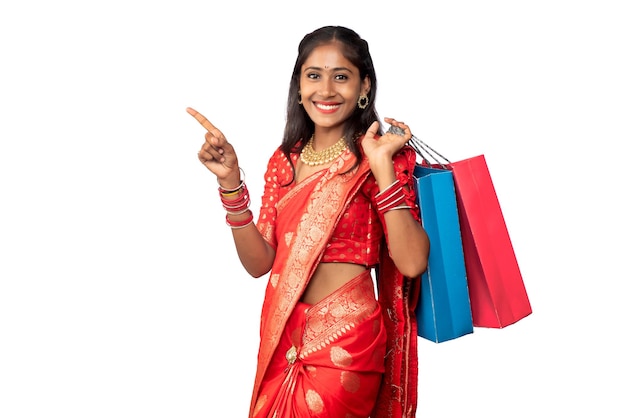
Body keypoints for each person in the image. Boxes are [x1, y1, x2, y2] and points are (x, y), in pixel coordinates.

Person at [187, 25, 429, 418]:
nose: (326, 90)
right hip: (285, 332)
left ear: (363, 86)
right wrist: (230, 184)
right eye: (314, 75)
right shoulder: (283, 161)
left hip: (346, 340)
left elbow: (413, 262)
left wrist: (383, 168)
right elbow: (259, 263)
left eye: (342, 76)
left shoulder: (376, 158)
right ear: (298, 86)